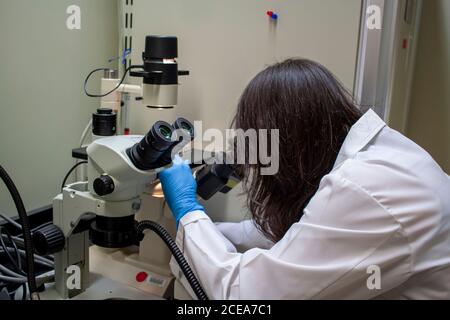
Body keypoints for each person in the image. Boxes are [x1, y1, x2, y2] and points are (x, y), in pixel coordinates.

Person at [159, 59, 450, 299]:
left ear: (287, 145)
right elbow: (305, 231)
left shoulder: (363, 189)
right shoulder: (374, 155)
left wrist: (188, 211)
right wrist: (211, 232)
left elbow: (247, 297)